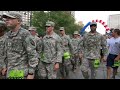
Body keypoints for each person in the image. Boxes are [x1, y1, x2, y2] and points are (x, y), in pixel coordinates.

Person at [1, 11, 39, 79]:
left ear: (18, 21)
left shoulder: (25, 35)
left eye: (10, 18)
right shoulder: (7, 35)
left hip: (20, 72)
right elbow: (4, 52)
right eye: (6, 18)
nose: (7, 20)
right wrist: (4, 66)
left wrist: (31, 73)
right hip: (9, 71)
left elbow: (32, 55)